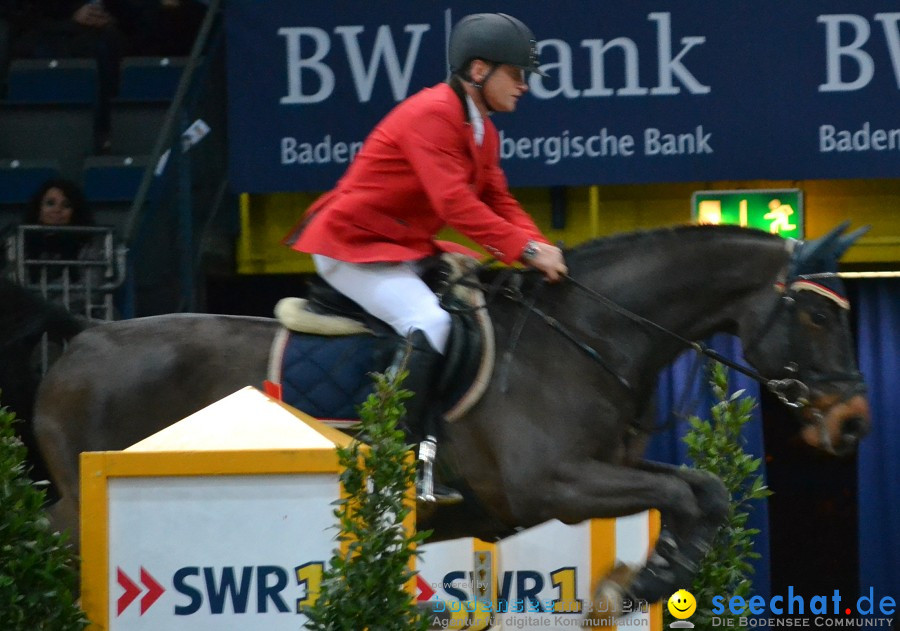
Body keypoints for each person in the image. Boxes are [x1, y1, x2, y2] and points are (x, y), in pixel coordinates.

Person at [284, 13, 568, 503]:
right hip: (352, 246)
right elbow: (454, 205)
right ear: (479, 70)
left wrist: (539, 246)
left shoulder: (482, 129)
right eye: (518, 75)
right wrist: (524, 250)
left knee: (473, 305)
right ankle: (394, 457)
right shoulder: (433, 113)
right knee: (430, 323)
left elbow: (499, 200)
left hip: (399, 247)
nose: (525, 87)